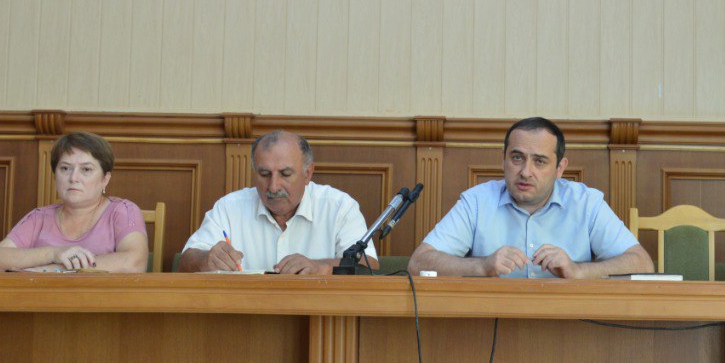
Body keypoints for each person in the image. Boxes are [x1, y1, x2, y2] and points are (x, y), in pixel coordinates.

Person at [409, 117, 653, 278]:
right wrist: (482, 266)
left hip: (571, 325)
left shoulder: (586, 203)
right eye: (517, 158)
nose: (526, 172)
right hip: (490, 324)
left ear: (560, 168)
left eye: (539, 161)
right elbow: (419, 263)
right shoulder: (477, 202)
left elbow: (642, 264)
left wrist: (578, 271)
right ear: (503, 160)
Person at [177, 130, 376, 274]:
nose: (273, 187)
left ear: (308, 173)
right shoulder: (229, 208)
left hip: (319, 315)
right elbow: (185, 262)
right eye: (264, 174)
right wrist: (206, 259)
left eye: (285, 174)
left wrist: (320, 268)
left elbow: (368, 266)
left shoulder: (339, 207)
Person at [0, 132, 148, 273]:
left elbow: (134, 263)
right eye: (65, 168)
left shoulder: (123, 211)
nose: (73, 178)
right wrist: (54, 253)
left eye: (86, 169)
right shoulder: (39, 217)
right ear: (55, 176)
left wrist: (54, 270)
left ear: (105, 179)